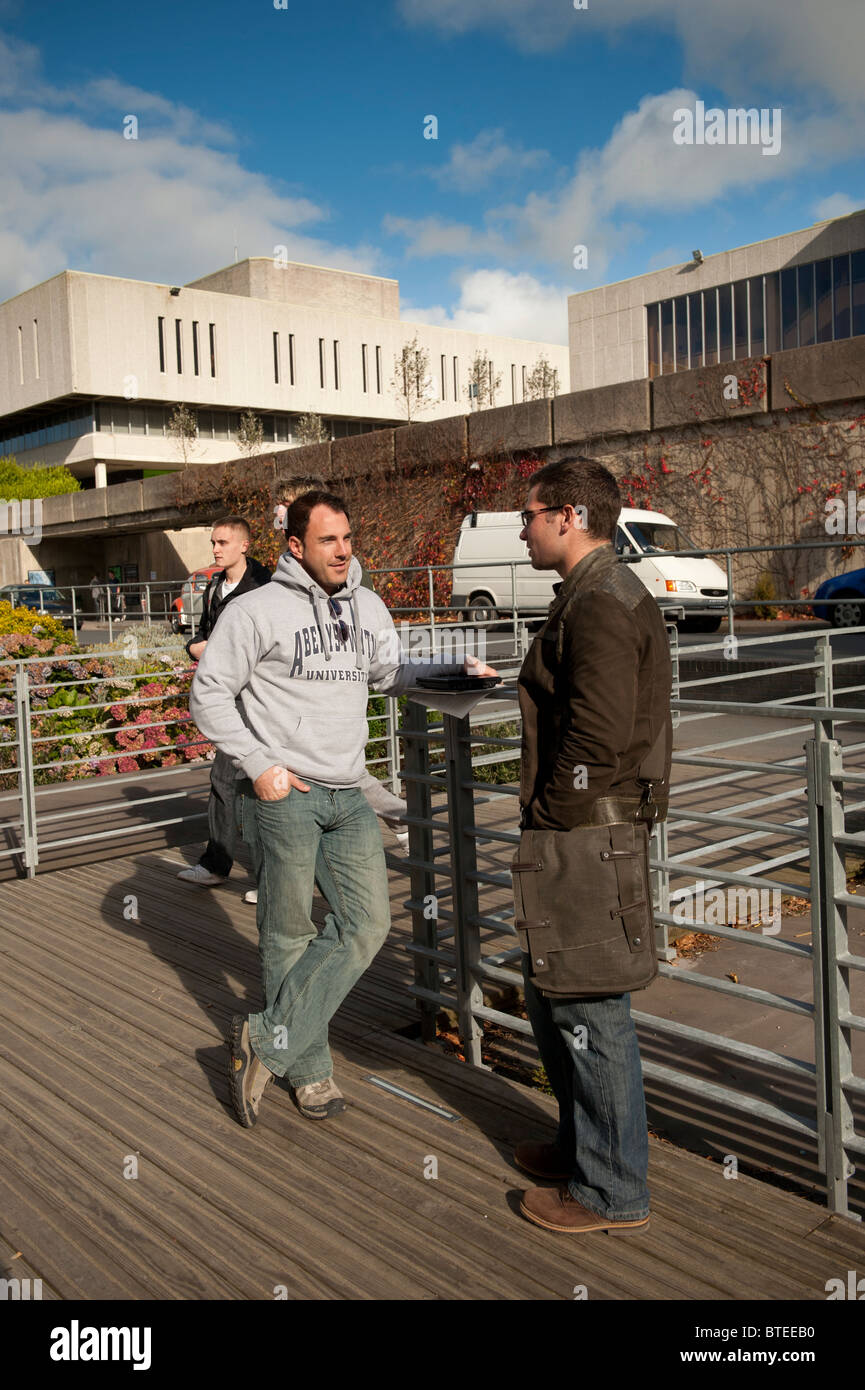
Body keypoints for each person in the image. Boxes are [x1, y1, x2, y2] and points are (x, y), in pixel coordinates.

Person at [189, 489, 497, 1124]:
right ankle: (308, 1070)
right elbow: (209, 694)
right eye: (329, 540)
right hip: (285, 795)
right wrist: (259, 766)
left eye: (348, 538)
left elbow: (389, 674)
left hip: (348, 790)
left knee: (365, 927)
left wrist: (452, 672)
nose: (344, 550)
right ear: (295, 547)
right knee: (287, 932)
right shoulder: (256, 611)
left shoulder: (367, 605)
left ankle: (265, 1036)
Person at [513, 456, 672, 1236]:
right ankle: (585, 1148)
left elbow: (601, 736)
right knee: (556, 986)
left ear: (568, 515)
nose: (522, 528)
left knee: (590, 1004)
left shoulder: (602, 601)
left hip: (587, 831)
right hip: (584, 826)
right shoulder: (598, 589)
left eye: (530, 515)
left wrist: (553, 806)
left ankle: (611, 1190)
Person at [178, 516, 271, 888]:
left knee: (258, 784)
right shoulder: (214, 586)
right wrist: (193, 648)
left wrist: (212, 647)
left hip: (261, 698)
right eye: (213, 542)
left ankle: (269, 879)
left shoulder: (264, 586)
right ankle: (217, 865)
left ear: (244, 545)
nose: (215, 549)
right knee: (223, 780)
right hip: (229, 699)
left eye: (222, 542)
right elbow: (203, 634)